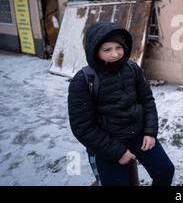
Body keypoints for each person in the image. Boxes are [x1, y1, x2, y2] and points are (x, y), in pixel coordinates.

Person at [68, 22, 174, 186]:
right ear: (95, 51)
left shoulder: (132, 68)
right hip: (108, 144)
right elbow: (82, 126)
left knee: (165, 171)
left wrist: (150, 132)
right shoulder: (83, 81)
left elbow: (147, 101)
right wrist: (117, 153)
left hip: (139, 135)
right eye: (107, 50)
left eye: (118, 47)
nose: (115, 54)